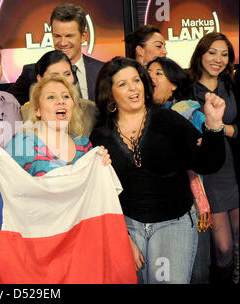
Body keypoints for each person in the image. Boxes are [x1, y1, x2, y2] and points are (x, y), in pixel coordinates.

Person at [90, 56, 226, 284]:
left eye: (136, 80)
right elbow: (100, 196)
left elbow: (207, 163)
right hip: (126, 227)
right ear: (110, 93)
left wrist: (213, 126)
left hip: (173, 225)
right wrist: (122, 237)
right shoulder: (99, 136)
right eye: (122, 84)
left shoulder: (168, 120)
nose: (133, 88)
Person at [147, 56, 211, 283]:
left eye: (158, 73)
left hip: (188, 203)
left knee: (197, 272)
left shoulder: (193, 114)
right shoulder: (139, 116)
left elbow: (203, 156)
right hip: (152, 208)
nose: (151, 77)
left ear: (174, 83)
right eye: (148, 72)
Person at [188, 32, 239, 284]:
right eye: (212, 52)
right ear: (200, 54)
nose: (218, 59)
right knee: (223, 246)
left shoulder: (232, 85)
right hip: (207, 175)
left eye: (224, 54)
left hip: (234, 171)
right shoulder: (186, 87)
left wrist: (222, 129)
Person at [5, 73, 110, 176]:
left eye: (66, 96)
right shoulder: (22, 144)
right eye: (51, 97)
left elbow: (94, 186)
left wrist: (101, 165)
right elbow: (5, 186)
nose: (61, 101)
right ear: (37, 110)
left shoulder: (83, 144)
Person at [7, 3, 104, 105]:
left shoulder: (102, 71)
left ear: (84, 36)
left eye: (69, 36)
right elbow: (4, 104)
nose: (63, 43)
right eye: (57, 36)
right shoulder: (31, 72)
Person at [20, 50, 98, 137]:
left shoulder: (91, 110)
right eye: (54, 76)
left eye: (67, 74)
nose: (62, 80)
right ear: (40, 78)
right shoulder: (24, 113)